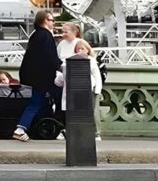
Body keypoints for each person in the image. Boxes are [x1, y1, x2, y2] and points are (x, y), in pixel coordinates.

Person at [13, 9, 61, 141]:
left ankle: (46, 128)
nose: (53, 23)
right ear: (45, 20)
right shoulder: (46, 36)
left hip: (33, 76)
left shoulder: (35, 35)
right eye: (52, 20)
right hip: (43, 78)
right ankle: (21, 128)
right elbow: (51, 57)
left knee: (40, 102)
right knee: (48, 101)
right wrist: (61, 67)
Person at [54, 39, 103, 140]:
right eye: (77, 49)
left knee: (92, 112)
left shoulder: (91, 61)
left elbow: (97, 76)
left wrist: (97, 90)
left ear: (87, 50)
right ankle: (72, 132)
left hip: (90, 90)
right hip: (74, 91)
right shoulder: (69, 62)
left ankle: (96, 133)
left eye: (82, 49)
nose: (80, 51)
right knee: (74, 113)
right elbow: (61, 79)